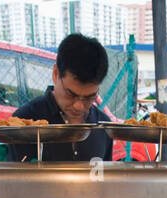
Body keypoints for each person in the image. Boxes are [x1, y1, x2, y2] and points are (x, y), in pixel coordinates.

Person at [7, 33, 114, 162]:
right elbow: (15, 180)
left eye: (89, 97)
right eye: (71, 94)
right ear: (56, 73)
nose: (79, 106)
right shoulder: (23, 122)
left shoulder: (102, 127)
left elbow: (101, 179)